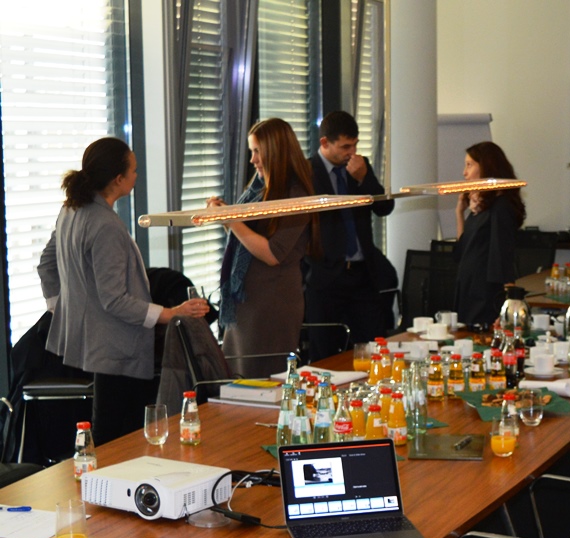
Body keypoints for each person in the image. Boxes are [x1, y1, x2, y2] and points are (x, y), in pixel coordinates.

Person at [37, 137, 209, 444]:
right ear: (118, 179)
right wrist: (171, 313)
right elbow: (114, 300)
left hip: (96, 341)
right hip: (118, 344)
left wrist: (65, 308)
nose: (137, 175)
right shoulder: (105, 225)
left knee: (109, 429)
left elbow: (47, 265)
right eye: (134, 170)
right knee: (119, 436)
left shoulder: (71, 211)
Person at [209, 117, 318, 378]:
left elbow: (272, 253)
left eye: (257, 151)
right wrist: (226, 217)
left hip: (272, 303)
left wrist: (231, 220)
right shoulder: (259, 189)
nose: (252, 159)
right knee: (238, 378)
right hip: (246, 301)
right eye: (251, 151)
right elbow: (246, 240)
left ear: (275, 151)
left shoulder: (296, 195)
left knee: (263, 381)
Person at [305, 110, 397, 360]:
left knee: (372, 349)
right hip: (325, 276)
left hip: (362, 274)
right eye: (345, 146)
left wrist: (365, 179)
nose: (351, 152)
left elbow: (385, 208)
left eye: (355, 145)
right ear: (325, 142)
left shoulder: (359, 166)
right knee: (324, 355)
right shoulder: (307, 171)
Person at [453, 141, 526, 327]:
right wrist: (459, 213)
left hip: (485, 295)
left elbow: (502, 257)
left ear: (486, 167)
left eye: (469, 165)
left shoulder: (500, 207)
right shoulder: (480, 208)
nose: (464, 172)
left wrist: (508, 304)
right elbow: (462, 250)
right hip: (468, 288)